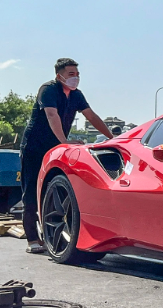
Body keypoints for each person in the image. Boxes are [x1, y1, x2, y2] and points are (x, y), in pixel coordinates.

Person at [20, 58, 113, 253]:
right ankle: (32, 239)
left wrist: (112, 138)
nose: (75, 78)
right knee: (30, 193)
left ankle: (55, 234)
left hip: (56, 148)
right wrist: (64, 141)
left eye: (77, 74)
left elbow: (92, 116)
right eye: (71, 74)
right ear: (59, 75)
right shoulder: (48, 90)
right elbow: (52, 115)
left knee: (54, 191)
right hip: (34, 148)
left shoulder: (76, 95)